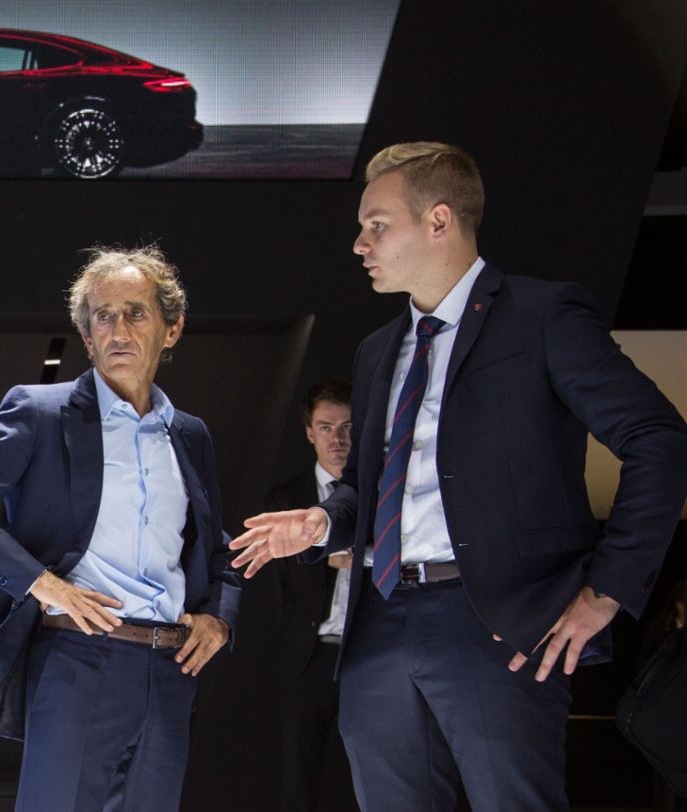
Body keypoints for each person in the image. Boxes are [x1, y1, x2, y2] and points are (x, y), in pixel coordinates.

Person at [229, 141, 687, 811]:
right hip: (377, 623)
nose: (360, 243)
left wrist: (607, 591)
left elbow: (658, 439)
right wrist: (325, 520)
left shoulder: (542, 317)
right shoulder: (380, 348)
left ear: (439, 221)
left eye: (376, 224)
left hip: (496, 621)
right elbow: (368, 485)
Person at [0, 246, 241, 811]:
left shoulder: (190, 435)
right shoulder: (40, 411)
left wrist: (219, 616)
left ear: (172, 329)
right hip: (77, 659)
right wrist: (42, 584)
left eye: (136, 313)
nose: (118, 329)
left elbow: (215, 547)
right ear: (87, 338)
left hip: (169, 670)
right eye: (102, 316)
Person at [265, 380, 356, 812]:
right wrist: (326, 557)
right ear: (309, 432)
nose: (337, 439)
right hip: (308, 656)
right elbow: (279, 584)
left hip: (370, 652)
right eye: (326, 427)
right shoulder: (287, 497)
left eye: (347, 427)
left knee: (380, 774)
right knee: (299, 781)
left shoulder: (382, 494)